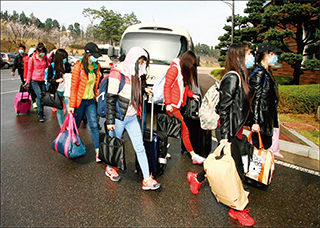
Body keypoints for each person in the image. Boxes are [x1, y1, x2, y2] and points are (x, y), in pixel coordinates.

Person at [187, 43, 255, 226]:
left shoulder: (241, 77)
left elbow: (241, 107)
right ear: (239, 56)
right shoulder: (232, 78)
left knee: (225, 164)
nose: (252, 56)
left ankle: (197, 178)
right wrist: (224, 136)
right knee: (236, 170)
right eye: (249, 54)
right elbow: (223, 108)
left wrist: (252, 123)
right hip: (228, 131)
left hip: (236, 129)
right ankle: (237, 209)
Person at [105, 46, 161, 191]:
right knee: (115, 144)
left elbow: (131, 90)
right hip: (118, 117)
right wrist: (110, 121)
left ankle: (147, 179)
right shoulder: (118, 72)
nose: (141, 65)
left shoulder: (136, 74)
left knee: (140, 147)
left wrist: (143, 89)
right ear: (132, 59)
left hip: (131, 117)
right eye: (140, 61)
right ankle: (110, 167)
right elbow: (110, 98)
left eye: (143, 63)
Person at [163, 51, 204, 164]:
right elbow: (166, 86)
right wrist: (168, 103)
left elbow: (182, 89)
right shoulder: (175, 69)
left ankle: (162, 151)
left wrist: (191, 95)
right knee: (184, 130)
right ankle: (193, 155)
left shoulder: (180, 70)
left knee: (169, 129)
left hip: (175, 105)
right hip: (173, 106)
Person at [68, 42, 102, 162]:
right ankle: (71, 147)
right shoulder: (78, 67)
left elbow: (96, 85)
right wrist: (71, 105)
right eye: (94, 55)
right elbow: (74, 87)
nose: (96, 58)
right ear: (88, 54)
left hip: (91, 101)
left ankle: (98, 152)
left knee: (94, 125)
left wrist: (97, 95)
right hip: (79, 101)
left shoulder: (96, 67)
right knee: (75, 126)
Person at [249, 43, 281, 150]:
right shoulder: (259, 74)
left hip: (266, 120)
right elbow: (255, 100)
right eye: (274, 54)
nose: (276, 57)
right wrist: (255, 122)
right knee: (260, 152)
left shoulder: (266, 72)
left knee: (264, 151)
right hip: (262, 122)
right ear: (267, 54)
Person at [46, 49, 71, 127]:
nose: (65, 60)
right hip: (58, 90)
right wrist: (56, 80)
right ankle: (61, 126)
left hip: (66, 90)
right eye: (64, 58)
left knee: (68, 108)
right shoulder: (52, 66)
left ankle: (66, 123)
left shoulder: (67, 65)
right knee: (59, 108)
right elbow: (49, 79)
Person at [25, 43, 49, 122]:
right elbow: (29, 71)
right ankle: (40, 113)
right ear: (37, 51)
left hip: (43, 80)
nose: (41, 53)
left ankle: (41, 110)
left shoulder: (45, 58)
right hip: (35, 80)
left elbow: (47, 68)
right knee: (39, 95)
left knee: (43, 96)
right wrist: (27, 81)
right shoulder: (32, 59)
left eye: (43, 52)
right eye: (40, 52)